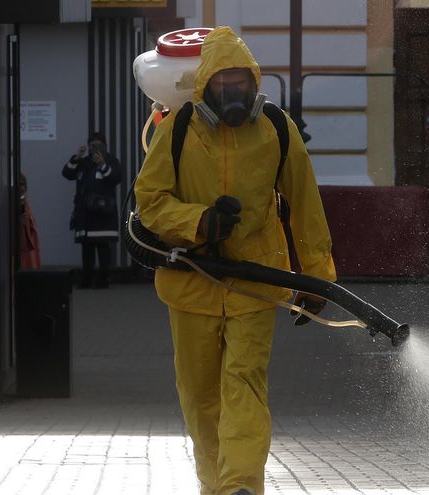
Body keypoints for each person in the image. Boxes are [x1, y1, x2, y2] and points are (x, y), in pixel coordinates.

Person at [134, 27, 336, 495]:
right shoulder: (178, 129)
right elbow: (150, 202)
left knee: (244, 384)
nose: (233, 94)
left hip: (255, 285)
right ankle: (216, 486)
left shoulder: (275, 129)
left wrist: (317, 279)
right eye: (223, 84)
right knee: (200, 397)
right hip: (191, 284)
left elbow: (305, 206)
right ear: (205, 85)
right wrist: (200, 222)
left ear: (254, 82)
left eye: (241, 83)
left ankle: (240, 485)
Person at [61, 131, 121, 288]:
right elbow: (67, 173)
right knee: (87, 248)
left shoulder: (111, 160)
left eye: (98, 145)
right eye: (91, 145)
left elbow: (116, 177)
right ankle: (86, 280)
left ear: (104, 146)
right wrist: (77, 157)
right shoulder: (84, 162)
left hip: (103, 215)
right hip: (85, 215)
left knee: (103, 247)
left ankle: (103, 280)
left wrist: (102, 165)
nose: (94, 148)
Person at [18, 172, 41, 269]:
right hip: (21, 251)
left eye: (22, 184)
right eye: (18, 184)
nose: (20, 188)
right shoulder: (12, 205)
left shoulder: (25, 204)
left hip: (29, 252)